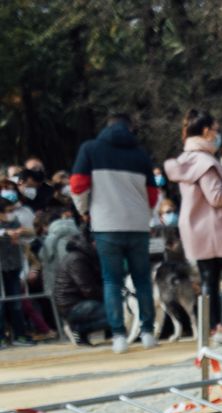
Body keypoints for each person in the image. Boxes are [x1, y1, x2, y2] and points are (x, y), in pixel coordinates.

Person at [164, 110, 222, 347]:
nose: (218, 135)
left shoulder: (187, 159)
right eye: (216, 130)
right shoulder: (205, 161)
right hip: (219, 228)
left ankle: (214, 328)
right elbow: (216, 196)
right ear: (206, 131)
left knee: (209, 279)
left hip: (198, 228)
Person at [68, 112, 158, 353]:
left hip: (106, 223)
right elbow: (152, 194)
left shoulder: (90, 149)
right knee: (142, 279)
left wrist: (84, 211)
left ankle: (119, 336)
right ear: (130, 128)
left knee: (111, 281)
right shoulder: (140, 154)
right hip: (138, 224)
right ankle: (148, 332)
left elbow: (77, 184)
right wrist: (145, 215)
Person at [53, 234, 108, 346]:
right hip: (72, 305)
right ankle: (78, 329)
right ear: (94, 243)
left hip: (78, 301)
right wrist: (111, 298)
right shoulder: (77, 259)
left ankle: (81, 330)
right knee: (115, 313)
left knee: (115, 311)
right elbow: (88, 289)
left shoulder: (85, 256)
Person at [0, 192, 35, 347]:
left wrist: (21, 231)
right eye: (8, 211)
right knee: (0, 305)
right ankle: (1, 337)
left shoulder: (14, 221)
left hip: (14, 266)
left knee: (16, 303)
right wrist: (5, 233)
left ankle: (19, 335)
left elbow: (31, 233)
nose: (11, 213)